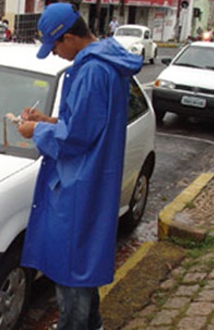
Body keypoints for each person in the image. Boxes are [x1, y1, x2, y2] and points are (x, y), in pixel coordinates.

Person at [15, 3, 142, 329]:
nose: (55, 53)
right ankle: (92, 324)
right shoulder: (104, 63)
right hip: (94, 178)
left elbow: (74, 138)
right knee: (82, 267)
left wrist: (35, 130)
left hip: (80, 183)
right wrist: (49, 120)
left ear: (70, 37)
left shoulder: (91, 71)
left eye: (55, 45)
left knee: (71, 271)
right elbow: (86, 123)